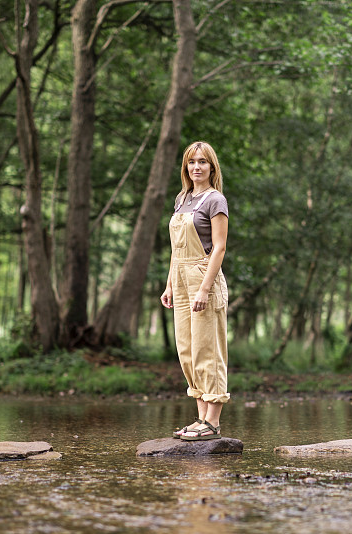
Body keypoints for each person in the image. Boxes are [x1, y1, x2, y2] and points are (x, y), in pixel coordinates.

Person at [160, 141, 230, 441]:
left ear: (212, 167)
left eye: (203, 161)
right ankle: (200, 417)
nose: (197, 167)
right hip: (180, 276)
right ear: (186, 167)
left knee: (207, 348)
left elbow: (219, 247)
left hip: (204, 276)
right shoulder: (182, 199)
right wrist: (169, 284)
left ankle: (213, 422)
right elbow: (177, 248)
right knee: (187, 349)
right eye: (191, 162)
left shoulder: (216, 200)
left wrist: (204, 289)